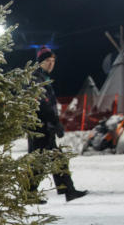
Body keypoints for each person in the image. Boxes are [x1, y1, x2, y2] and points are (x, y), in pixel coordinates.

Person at [28, 46, 87, 202]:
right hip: (39, 126)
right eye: (47, 60)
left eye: (53, 61)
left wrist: (54, 123)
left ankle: (67, 190)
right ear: (40, 62)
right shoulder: (36, 78)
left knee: (55, 158)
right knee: (39, 161)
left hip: (46, 126)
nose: (51, 64)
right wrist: (55, 121)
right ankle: (29, 192)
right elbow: (42, 103)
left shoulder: (44, 77)